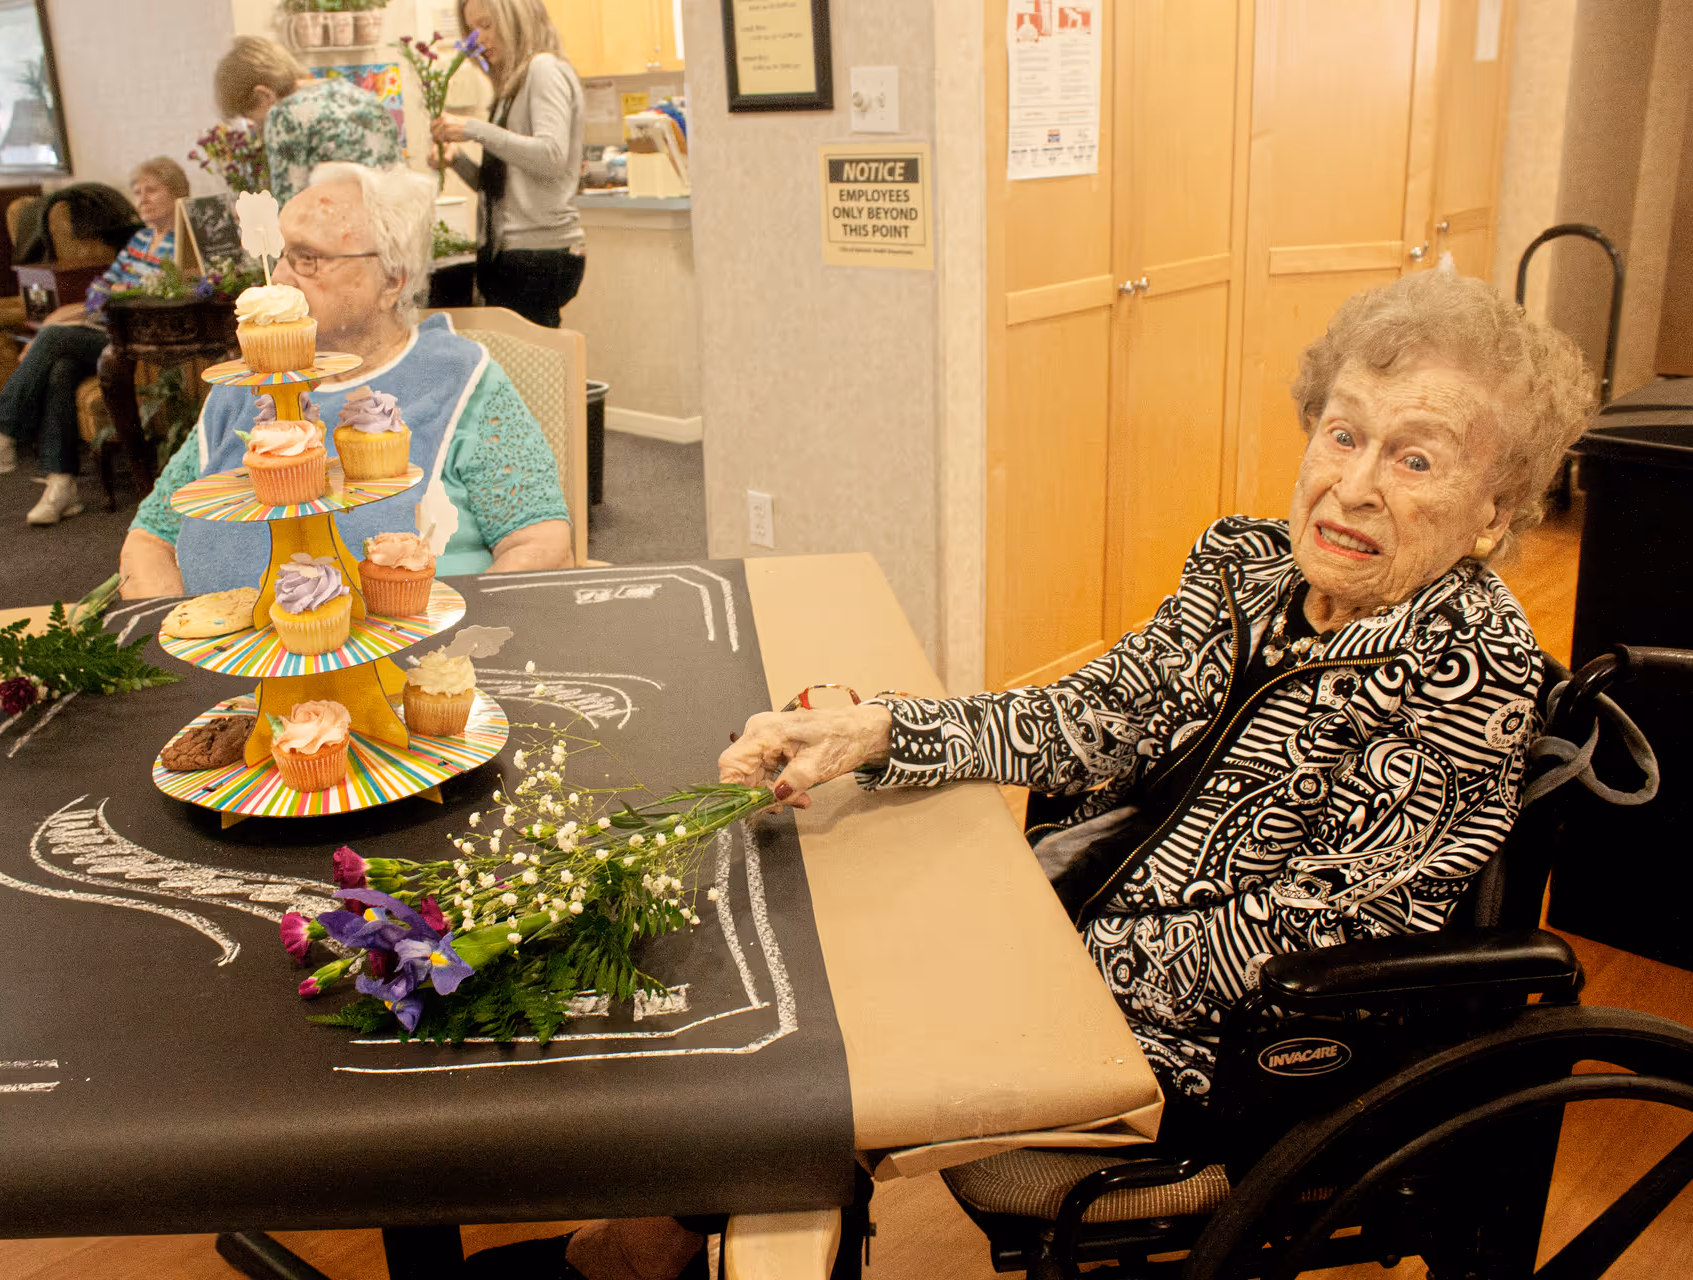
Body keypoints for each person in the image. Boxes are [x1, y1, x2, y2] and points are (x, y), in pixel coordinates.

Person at [720, 268, 1600, 1137]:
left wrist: (1029, 952)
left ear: (1493, 513)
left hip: (1205, 1046)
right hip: (1074, 912)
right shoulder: (1246, 568)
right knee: (809, 948)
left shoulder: (1466, 672)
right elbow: (1102, 712)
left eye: (1414, 459)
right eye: (1342, 434)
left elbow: (1316, 932)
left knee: (820, 1025)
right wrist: (878, 731)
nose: (1356, 485)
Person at [120, 162, 573, 598]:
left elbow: (541, 544)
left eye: (307, 259)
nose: (277, 279)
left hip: (405, 667)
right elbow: (150, 538)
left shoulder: (458, 380)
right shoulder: (245, 388)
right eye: (280, 256)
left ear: (392, 280)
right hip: (227, 664)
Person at [0, 157, 187, 525]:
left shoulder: (185, 238)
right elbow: (98, 294)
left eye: (153, 190)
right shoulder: (140, 241)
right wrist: (109, 296)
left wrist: (117, 294)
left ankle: (2, 438)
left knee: (54, 339)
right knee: (61, 370)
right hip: (108, 331)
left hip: (148, 340)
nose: (143, 200)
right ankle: (60, 486)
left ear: (178, 191)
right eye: (137, 192)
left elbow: (173, 288)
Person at [432, 0, 586, 328]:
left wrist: (473, 129)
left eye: (487, 26)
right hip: (509, 251)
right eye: (472, 30)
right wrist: (457, 160)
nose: (478, 40)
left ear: (517, 20)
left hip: (538, 253)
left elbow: (551, 157)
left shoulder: (544, 70)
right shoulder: (511, 87)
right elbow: (503, 187)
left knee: (528, 370)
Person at [215, 36, 403, 206]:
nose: (256, 127)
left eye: (250, 118)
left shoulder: (284, 115)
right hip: (393, 231)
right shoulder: (359, 95)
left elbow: (291, 213)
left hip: (346, 236)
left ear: (264, 95)